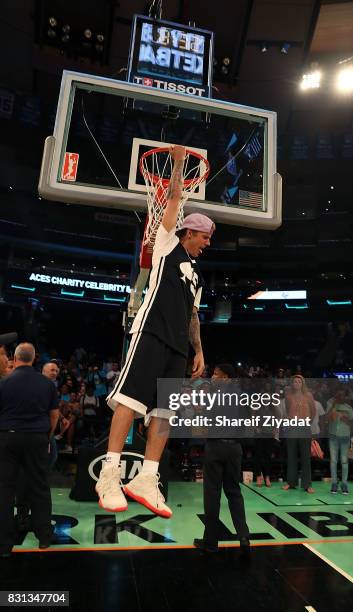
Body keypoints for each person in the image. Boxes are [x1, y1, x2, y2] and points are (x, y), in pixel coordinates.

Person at [96, 145, 215, 518]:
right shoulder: (166, 246)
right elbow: (175, 197)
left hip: (179, 346)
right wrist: (179, 163)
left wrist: (198, 351)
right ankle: (109, 473)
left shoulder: (195, 274)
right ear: (190, 233)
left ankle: (147, 478)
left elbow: (193, 315)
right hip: (150, 333)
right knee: (131, 402)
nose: (207, 244)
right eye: (205, 237)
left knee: (164, 413)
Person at [0, 343, 59, 557]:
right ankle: (44, 538)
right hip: (37, 437)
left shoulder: (4, 383)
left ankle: (4, 545)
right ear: (34, 360)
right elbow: (54, 415)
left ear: (15, 359)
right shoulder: (47, 384)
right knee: (40, 486)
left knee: (5, 490)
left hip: (7, 437)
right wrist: (47, 436)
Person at [194, 364, 250, 554]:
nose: (212, 378)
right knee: (234, 491)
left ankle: (210, 542)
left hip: (216, 447)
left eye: (216, 375)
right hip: (235, 448)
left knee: (212, 493)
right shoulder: (242, 395)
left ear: (226, 377)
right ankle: (243, 536)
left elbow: (206, 422)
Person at [282, 375, 316, 493]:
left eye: (299, 381)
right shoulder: (288, 396)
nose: (297, 383)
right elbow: (287, 410)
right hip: (292, 426)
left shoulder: (308, 396)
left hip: (304, 427)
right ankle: (291, 482)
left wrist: (306, 422)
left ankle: (307, 484)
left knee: (306, 457)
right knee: (291, 455)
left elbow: (313, 411)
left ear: (302, 383)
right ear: (292, 384)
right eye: (295, 381)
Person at [326, 387, 353, 494]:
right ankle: (334, 483)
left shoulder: (348, 408)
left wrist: (346, 420)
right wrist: (333, 406)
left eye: (342, 395)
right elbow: (326, 419)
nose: (339, 397)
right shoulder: (330, 405)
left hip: (345, 437)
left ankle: (344, 484)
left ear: (344, 396)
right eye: (338, 395)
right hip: (333, 436)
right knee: (333, 461)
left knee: (344, 461)